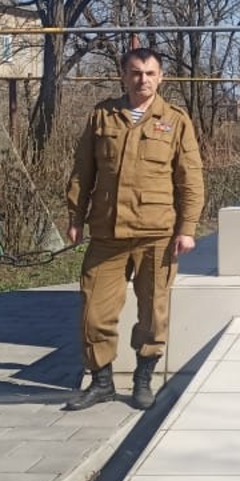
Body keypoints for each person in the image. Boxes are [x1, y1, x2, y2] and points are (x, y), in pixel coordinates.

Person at [64, 47, 204, 411]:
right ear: (124, 76)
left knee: (153, 314)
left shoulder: (176, 120)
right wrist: (75, 217)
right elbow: (82, 171)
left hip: (155, 235)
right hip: (107, 234)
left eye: (150, 73)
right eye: (136, 72)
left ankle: (143, 380)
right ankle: (102, 383)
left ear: (161, 78)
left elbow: (190, 179)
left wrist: (187, 227)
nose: (143, 79)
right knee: (94, 312)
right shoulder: (102, 116)